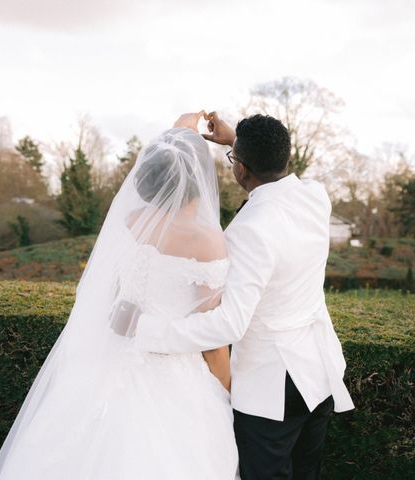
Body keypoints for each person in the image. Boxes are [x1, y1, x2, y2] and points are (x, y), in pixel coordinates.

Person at [0, 120, 239, 479]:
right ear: (199, 181)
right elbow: (211, 339)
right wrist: (229, 392)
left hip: (108, 363)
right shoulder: (207, 241)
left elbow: (116, 300)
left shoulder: (130, 221)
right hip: (176, 379)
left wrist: (184, 125)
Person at [133, 112, 355, 479]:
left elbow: (229, 323)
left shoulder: (248, 230)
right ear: (284, 155)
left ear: (240, 168)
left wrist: (149, 332)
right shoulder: (316, 196)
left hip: (273, 387)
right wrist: (239, 143)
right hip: (320, 369)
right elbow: (271, 164)